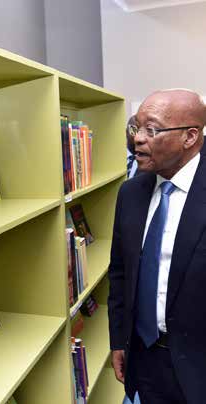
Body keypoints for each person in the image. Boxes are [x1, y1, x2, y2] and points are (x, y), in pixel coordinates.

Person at [108, 88, 206, 404]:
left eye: (152, 129)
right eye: (137, 127)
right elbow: (120, 274)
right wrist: (119, 341)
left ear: (189, 137)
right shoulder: (130, 194)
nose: (137, 138)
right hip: (144, 358)